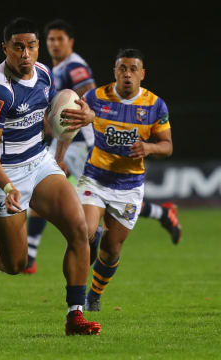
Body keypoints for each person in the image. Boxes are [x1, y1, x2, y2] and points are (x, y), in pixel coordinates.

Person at [0, 18, 101, 335]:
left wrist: (84, 118)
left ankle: (75, 315)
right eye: (18, 47)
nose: (26, 53)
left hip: (39, 162)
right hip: (4, 175)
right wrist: (7, 186)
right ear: (5, 49)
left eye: (31, 46)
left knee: (82, 232)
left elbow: (55, 119)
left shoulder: (44, 74)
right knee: (14, 264)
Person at [24, 19, 182, 274]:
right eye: (50, 39)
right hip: (68, 140)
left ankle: (32, 254)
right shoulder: (55, 68)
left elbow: (87, 100)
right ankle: (161, 214)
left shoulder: (74, 66)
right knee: (51, 193)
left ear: (70, 42)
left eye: (59, 39)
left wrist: (88, 123)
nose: (54, 44)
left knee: (51, 192)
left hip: (82, 143)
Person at [60, 48, 174, 311]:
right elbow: (69, 122)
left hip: (129, 187)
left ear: (142, 74)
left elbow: (167, 146)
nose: (127, 74)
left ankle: (95, 294)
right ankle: (74, 298)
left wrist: (150, 148)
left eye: (133, 69)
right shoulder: (96, 97)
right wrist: (59, 157)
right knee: (85, 232)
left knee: (111, 250)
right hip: (95, 180)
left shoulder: (155, 105)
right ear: (115, 72)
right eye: (122, 68)